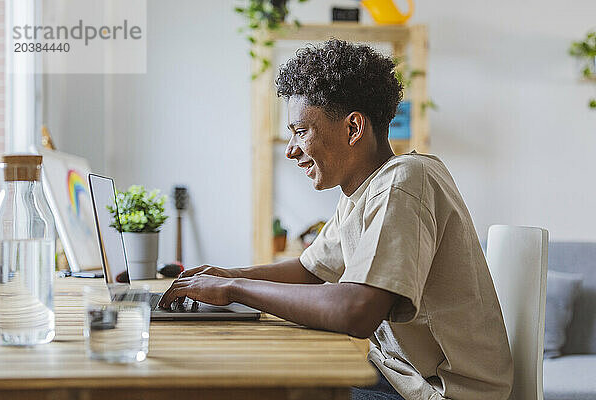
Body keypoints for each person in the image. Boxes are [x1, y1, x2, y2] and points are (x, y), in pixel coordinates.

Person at [159, 39, 513, 400]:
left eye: (300, 131)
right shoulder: (361, 191)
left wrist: (235, 290)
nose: (290, 149)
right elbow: (310, 270)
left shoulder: (404, 182)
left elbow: (355, 312)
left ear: (353, 128)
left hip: (440, 393)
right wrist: (227, 275)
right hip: (398, 375)